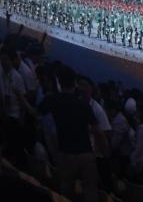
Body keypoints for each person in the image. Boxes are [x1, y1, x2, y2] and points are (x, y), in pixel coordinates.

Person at [39, 66, 100, 202]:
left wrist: (20, 96)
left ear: (59, 82)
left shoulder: (52, 99)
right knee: (90, 191)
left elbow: (35, 112)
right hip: (84, 152)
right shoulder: (83, 104)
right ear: (75, 83)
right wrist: (105, 150)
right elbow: (97, 131)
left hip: (65, 151)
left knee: (66, 189)